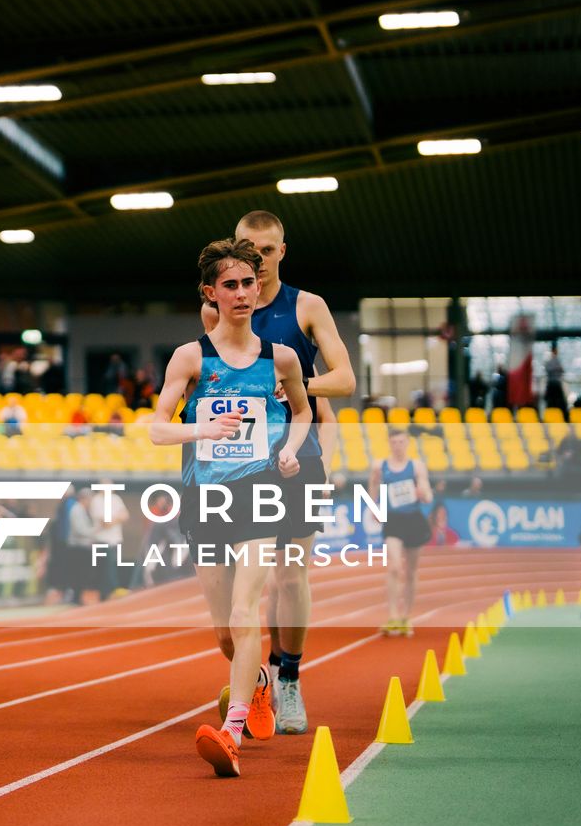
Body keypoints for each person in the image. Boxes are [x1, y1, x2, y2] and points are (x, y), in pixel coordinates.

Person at [152, 237, 310, 779]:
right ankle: (260, 683)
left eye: (250, 283)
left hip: (260, 495)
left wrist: (287, 450)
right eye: (231, 285)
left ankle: (232, 731)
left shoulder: (281, 358)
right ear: (210, 293)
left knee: (248, 612)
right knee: (225, 632)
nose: (242, 293)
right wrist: (202, 427)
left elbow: (304, 414)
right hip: (206, 498)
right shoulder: (191, 357)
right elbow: (156, 429)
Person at [204, 209, 353, 737]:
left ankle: (288, 680)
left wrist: (294, 387)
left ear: (281, 252)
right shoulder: (218, 307)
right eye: (248, 249)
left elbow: (344, 379)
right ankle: (255, 674)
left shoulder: (307, 306)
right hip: (235, 465)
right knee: (233, 596)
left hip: (295, 457)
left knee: (290, 574)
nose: (258, 261)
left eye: (267, 252)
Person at [370, 427, 433, 636]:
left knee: (411, 572)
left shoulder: (416, 467)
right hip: (393, 521)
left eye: (401, 442)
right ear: (389, 443)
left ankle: (406, 616)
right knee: (395, 567)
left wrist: (421, 492)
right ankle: (392, 616)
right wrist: (373, 507)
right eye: (394, 442)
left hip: (413, 520)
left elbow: (428, 496)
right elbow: (373, 489)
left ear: (407, 443)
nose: (398, 446)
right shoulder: (380, 466)